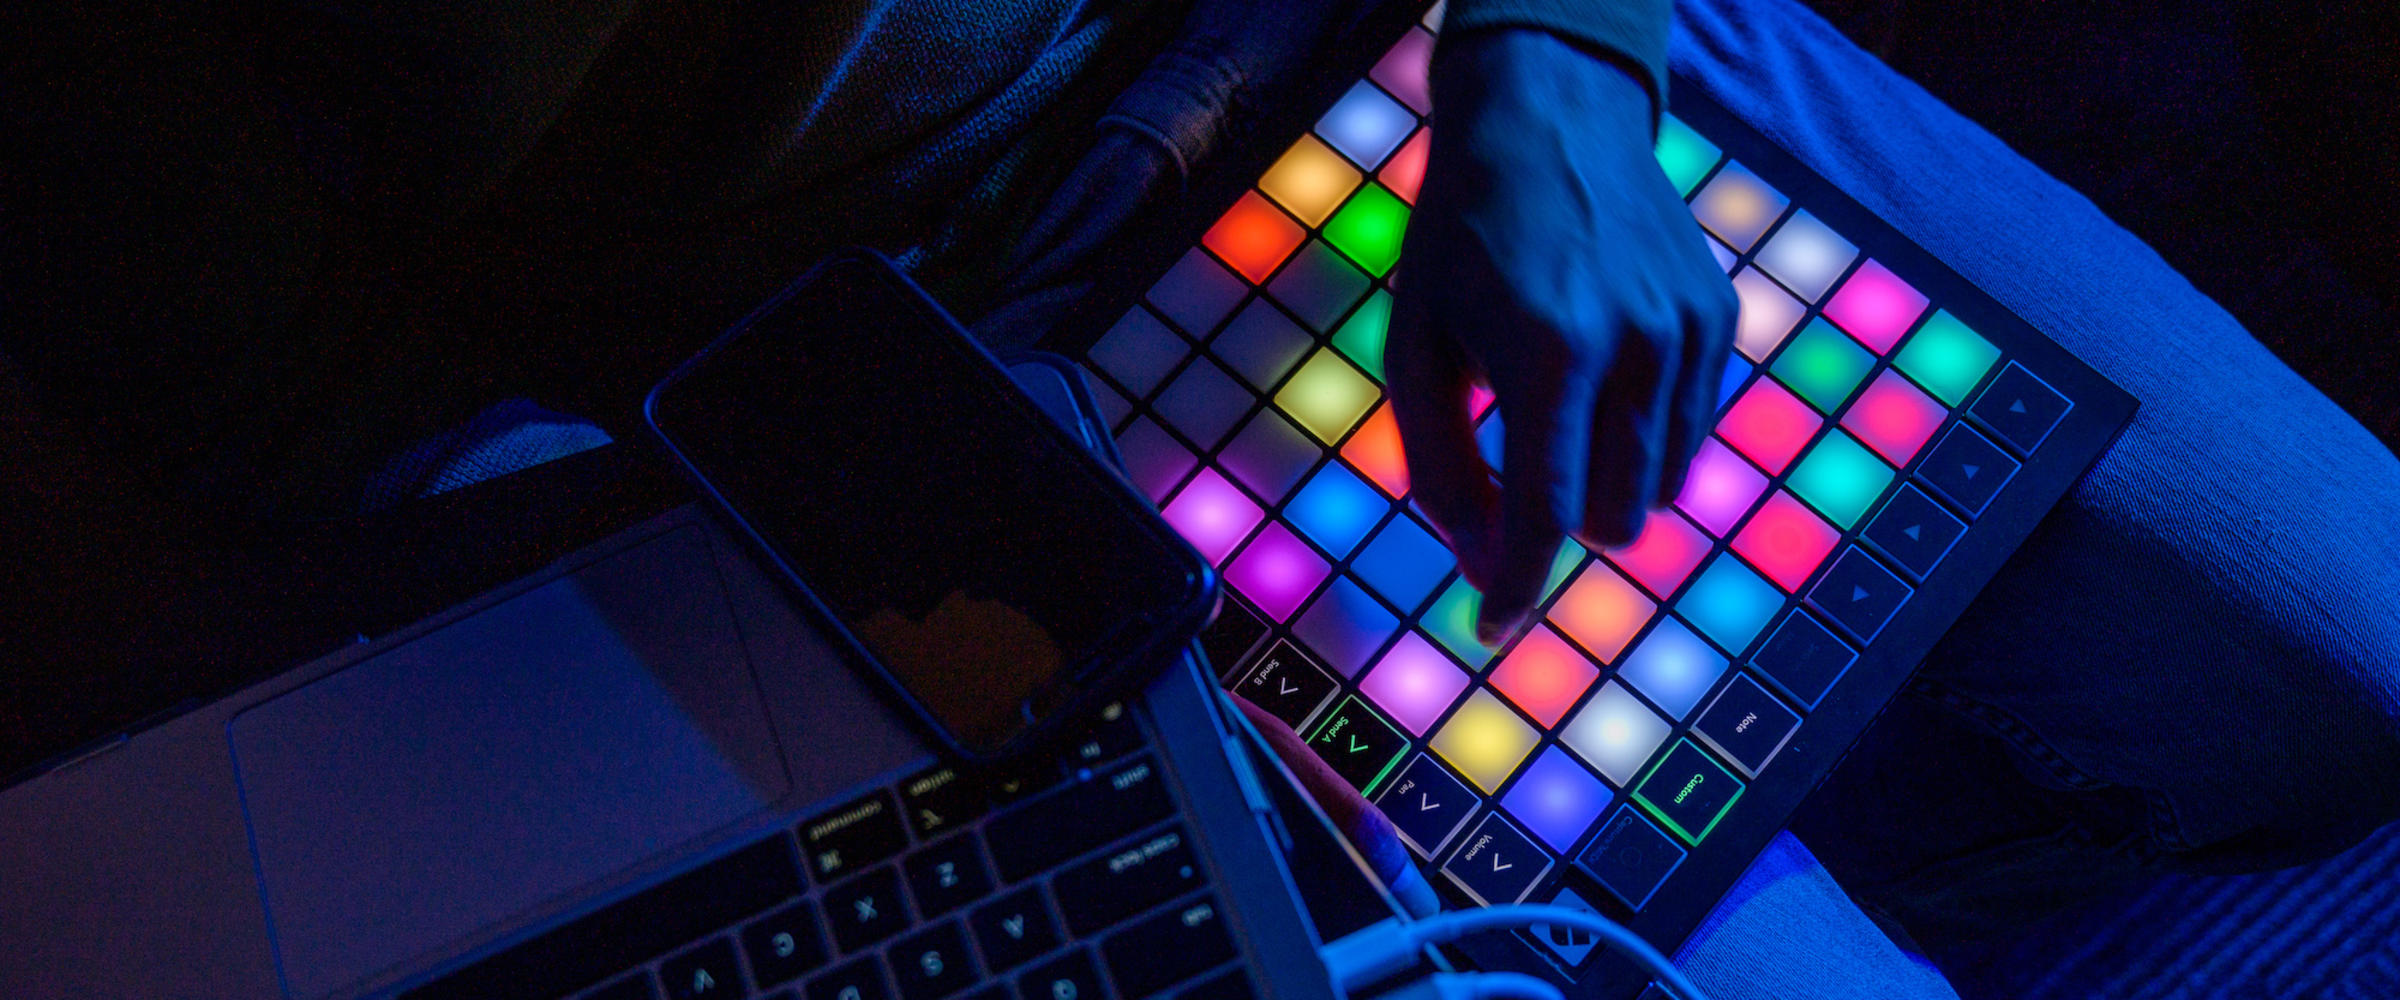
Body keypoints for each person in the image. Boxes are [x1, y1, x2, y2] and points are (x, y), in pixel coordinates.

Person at [5, 0, 2397, 996]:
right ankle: (1671, 810)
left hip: (1416, 61)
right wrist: (849, 573)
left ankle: (1719, 786)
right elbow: (305, 402)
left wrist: (1559, 73)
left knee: (2342, 679)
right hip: (873, 386)